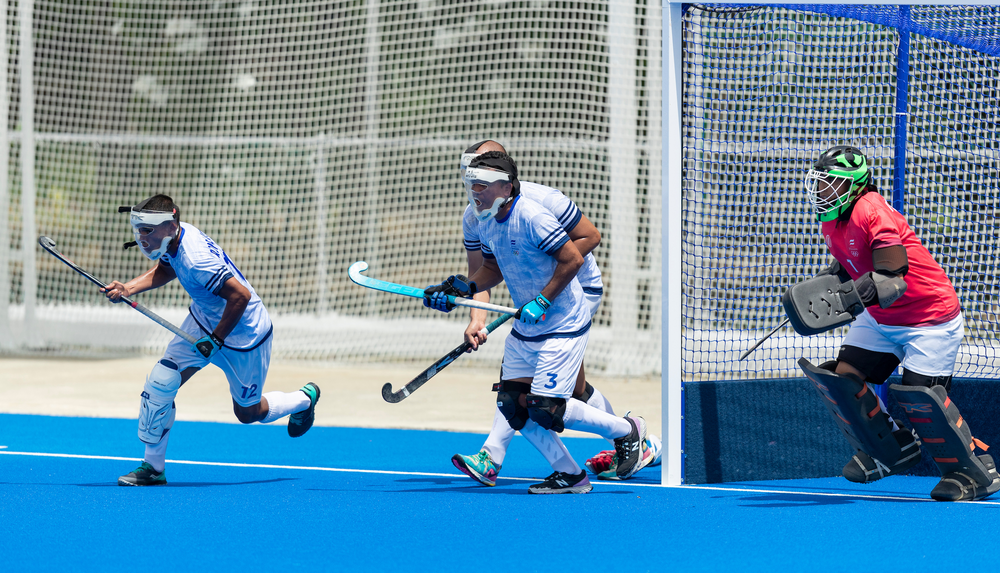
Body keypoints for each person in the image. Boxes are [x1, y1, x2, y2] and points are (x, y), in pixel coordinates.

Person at [424, 152, 653, 494]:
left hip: (563, 321)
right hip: (527, 325)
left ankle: (627, 430)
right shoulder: (484, 219)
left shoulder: (532, 215)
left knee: (546, 407)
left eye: (482, 185)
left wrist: (543, 299)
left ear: (507, 187)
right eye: (471, 185)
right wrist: (463, 288)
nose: (475, 192)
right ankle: (571, 475)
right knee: (512, 404)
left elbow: (573, 258)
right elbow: (493, 267)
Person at [799, 145, 998, 501]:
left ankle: (975, 471)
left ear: (855, 185)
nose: (823, 191)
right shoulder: (831, 219)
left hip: (929, 318)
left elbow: (892, 279)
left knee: (924, 403)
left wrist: (847, 299)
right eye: (821, 183)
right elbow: (850, 263)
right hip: (881, 317)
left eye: (832, 184)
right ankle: (890, 448)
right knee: (843, 380)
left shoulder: (872, 211)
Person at [101, 194, 321, 486]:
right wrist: (128, 288)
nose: (141, 237)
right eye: (138, 230)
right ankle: (153, 468)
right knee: (162, 382)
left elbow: (240, 296)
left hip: (245, 335)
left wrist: (216, 339)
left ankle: (304, 399)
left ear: (170, 225)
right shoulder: (172, 239)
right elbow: (166, 267)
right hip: (204, 321)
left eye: (147, 230)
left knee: (248, 413)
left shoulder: (197, 260)